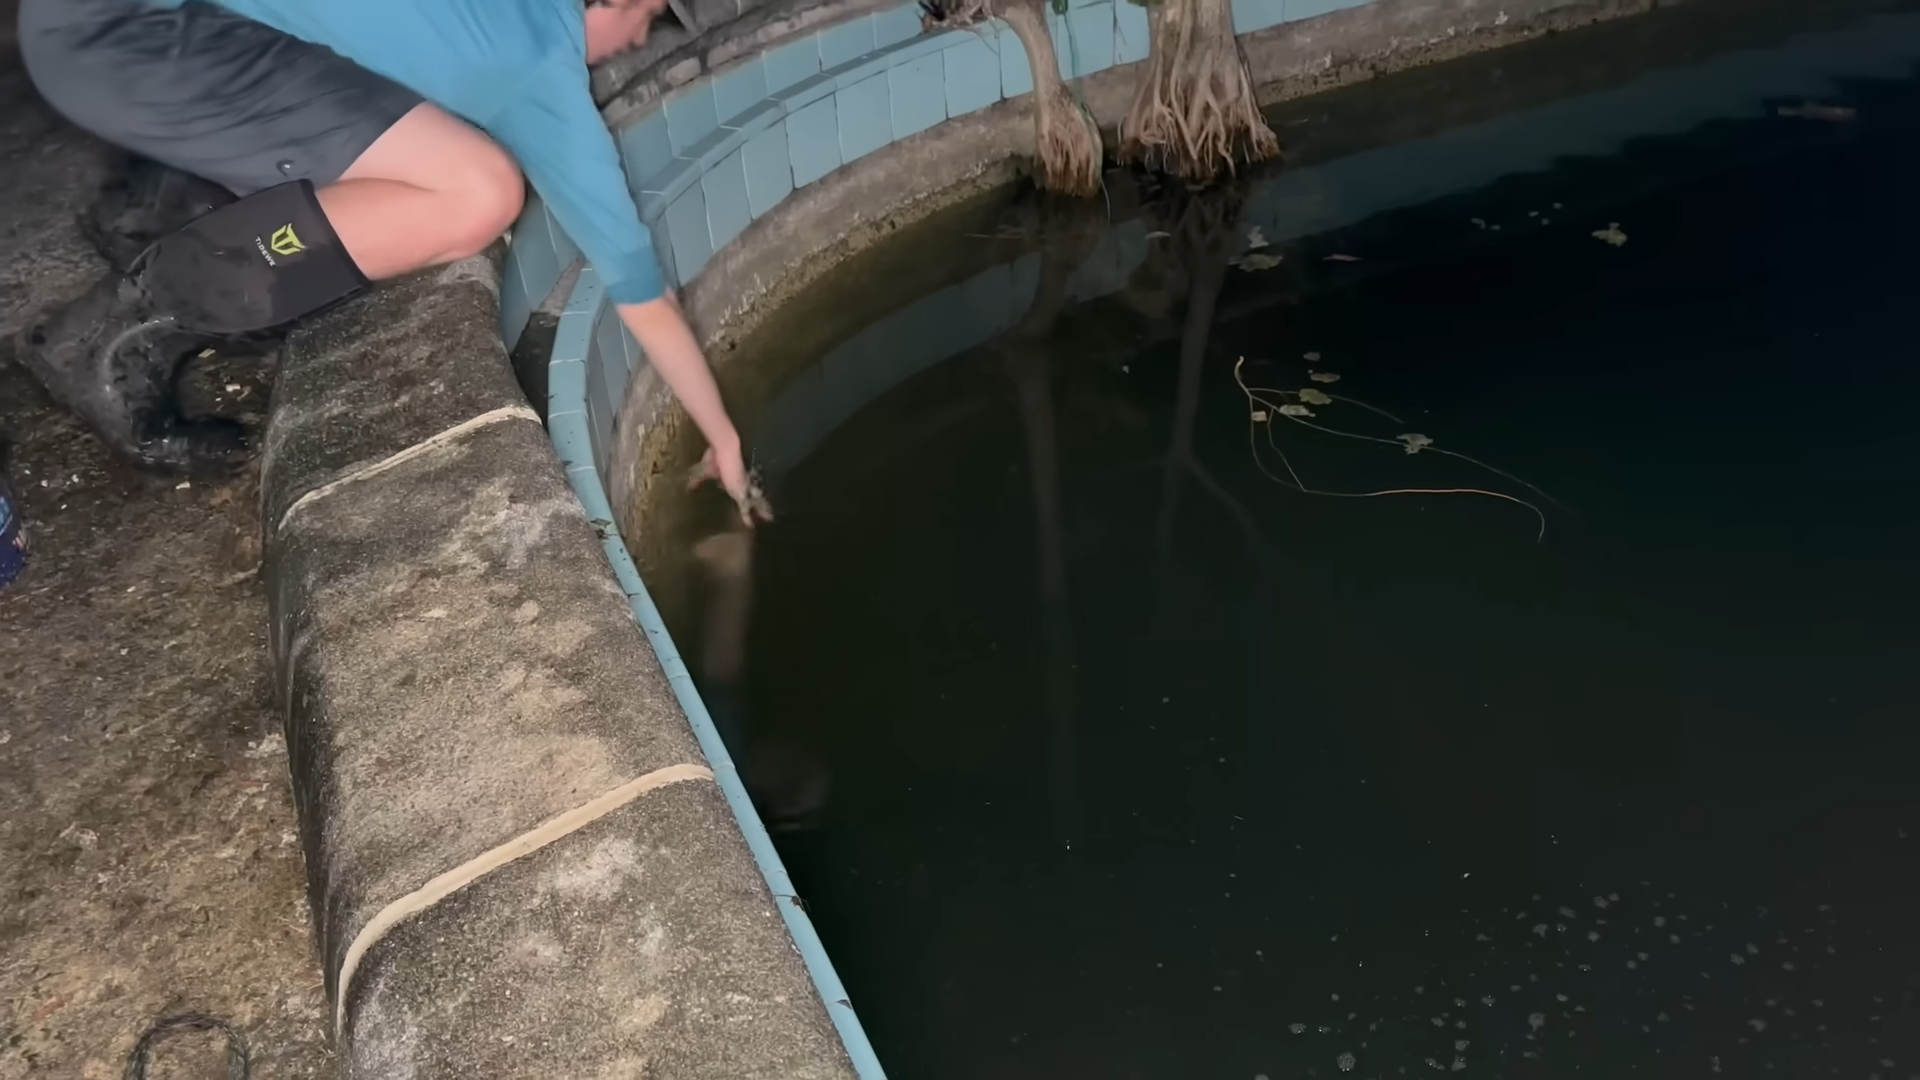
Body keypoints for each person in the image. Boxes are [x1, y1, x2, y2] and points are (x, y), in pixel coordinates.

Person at [14, 0, 767, 522]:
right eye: (645, 19)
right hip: (127, 42)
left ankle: (164, 200)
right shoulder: (532, 68)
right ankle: (111, 334)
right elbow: (639, 289)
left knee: (393, 147)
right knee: (476, 193)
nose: (637, 41)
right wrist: (724, 439)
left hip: (109, 30)